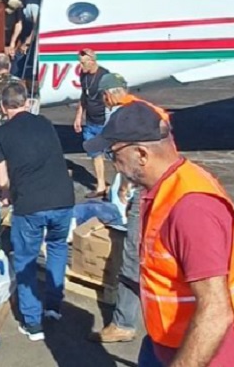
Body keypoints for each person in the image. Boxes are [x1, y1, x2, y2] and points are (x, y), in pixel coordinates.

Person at [86, 101, 234, 367]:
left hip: (203, 356)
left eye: (113, 154)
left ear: (141, 154)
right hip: (167, 342)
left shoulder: (191, 209)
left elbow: (216, 311)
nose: (114, 165)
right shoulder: (164, 190)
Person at [85, 73, 172, 345]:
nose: (114, 160)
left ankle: (124, 323)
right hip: (157, 186)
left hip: (145, 191)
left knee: (132, 255)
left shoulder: (124, 116)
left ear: (108, 94)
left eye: (114, 154)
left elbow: (133, 158)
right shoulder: (148, 111)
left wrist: (126, 183)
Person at [0, 81, 75, 342]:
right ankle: (54, 305)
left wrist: (7, 193)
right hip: (63, 198)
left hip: (30, 204)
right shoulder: (46, 123)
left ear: (3, 107)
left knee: (26, 258)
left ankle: (32, 322)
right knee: (57, 247)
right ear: (27, 102)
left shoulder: (0, 134)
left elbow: (2, 179)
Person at [73, 48, 110, 198]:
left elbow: (112, 98)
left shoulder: (104, 76)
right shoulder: (84, 75)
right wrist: (78, 116)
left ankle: (121, 186)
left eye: (83, 63)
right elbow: (84, 95)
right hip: (90, 121)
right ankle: (101, 185)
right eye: (80, 63)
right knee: (95, 154)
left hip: (104, 120)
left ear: (92, 61)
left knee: (113, 154)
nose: (81, 66)